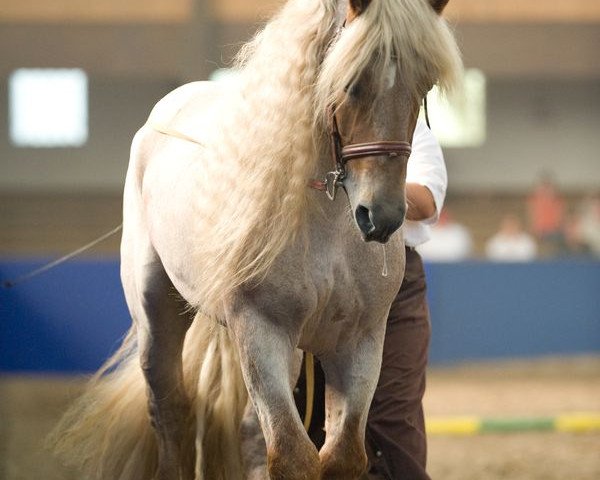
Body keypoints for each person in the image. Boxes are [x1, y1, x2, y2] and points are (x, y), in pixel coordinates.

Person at [294, 117, 447, 480]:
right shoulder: (310, 133)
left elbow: (426, 201)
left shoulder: (412, 131)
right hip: (318, 278)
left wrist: (359, 184)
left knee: (392, 412)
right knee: (309, 412)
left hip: (391, 273)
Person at [527, 174, 565, 256]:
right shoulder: (534, 201)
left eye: (548, 187)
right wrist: (537, 230)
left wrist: (553, 229)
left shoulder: (558, 201)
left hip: (554, 232)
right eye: (543, 187)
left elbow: (559, 220)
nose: (546, 190)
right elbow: (532, 218)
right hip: (538, 232)